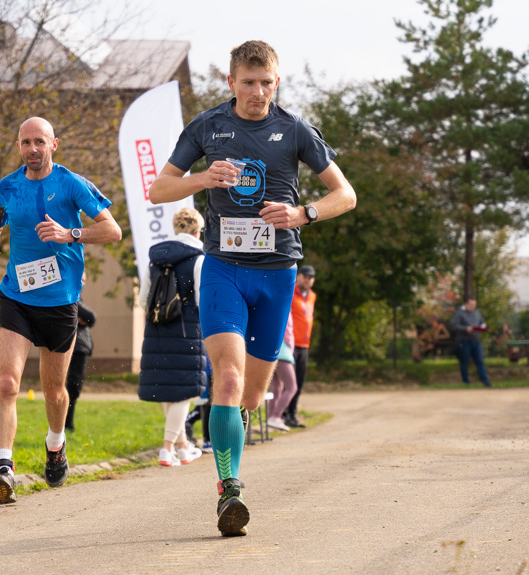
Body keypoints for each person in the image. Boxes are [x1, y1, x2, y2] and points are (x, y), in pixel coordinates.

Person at [148, 40, 357, 537]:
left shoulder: (297, 130)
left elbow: (345, 195)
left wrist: (302, 213)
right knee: (226, 378)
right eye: (248, 82)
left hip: (278, 273)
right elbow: (158, 190)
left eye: (267, 83)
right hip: (222, 268)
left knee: (252, 394)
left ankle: (230, 449)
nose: (258, 91)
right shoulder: (207, 127)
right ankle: (229, 490)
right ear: (231, 83)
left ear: (277, 82)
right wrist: (202, 179)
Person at [0, 117, 122, 505]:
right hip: (17, 297)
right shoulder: (7, 186)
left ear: (53, 144)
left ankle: (55, 445)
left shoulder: (71, 184)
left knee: (54, 392)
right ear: (19, 146)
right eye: (25, 142)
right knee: (7, 383)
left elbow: (113, 231)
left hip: (60, 302)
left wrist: (69, 233)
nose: (32, 149)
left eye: (39, 141)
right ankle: (4, 469)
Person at [137, 207, 207, 467]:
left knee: (170, 390)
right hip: (187, 330)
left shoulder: (156, 259)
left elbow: (144, 299)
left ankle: (183, 448)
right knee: (185, 391)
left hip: (156, 328)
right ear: (197, 231)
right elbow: (201, 299)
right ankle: (166, 450)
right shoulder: (199, 259)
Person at [283, 265, 316, 428]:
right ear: (299, 277)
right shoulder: (291, 292)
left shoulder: (312, 296)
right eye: (305, 276)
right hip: (291, 344)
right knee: (288, 381)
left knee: (299, 381)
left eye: (311, 277)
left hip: (305, 345)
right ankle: (281, 414)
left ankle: (292, 414)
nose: (308, 280)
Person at [65, 272, 95, 432]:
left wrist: (83, 320)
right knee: (70, 387)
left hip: (82, 347)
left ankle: (67, 424)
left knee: (74, 388)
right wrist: (84, 320)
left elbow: (89, 320)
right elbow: (91, 317)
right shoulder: (72, 296)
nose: (82, 282)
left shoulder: (78, 298)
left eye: (84, 279)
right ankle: (66, 425)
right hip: (74, 347)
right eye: (79, 278)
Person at [267, 311, 298, 432]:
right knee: (292, 387)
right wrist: (291, 349)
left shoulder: (273, 307)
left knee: (278, 387)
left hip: (271, 352)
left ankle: (271, 419)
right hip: (283, 352)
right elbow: (288, 333)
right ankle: (275, 416)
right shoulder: (286, 310)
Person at [451, 299, 491, 387]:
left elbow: (482, 323)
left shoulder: (477, 313)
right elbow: (454, 326)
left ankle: (485, 381)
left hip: (476, 341)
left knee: (480, 360)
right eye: (471, 304)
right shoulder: (459, 313)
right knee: (464, 362)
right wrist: (466, 328)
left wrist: (484, 327)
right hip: (464, 341)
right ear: (466, 304)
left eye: (474, 304)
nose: (473, 306)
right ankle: (466, 382)